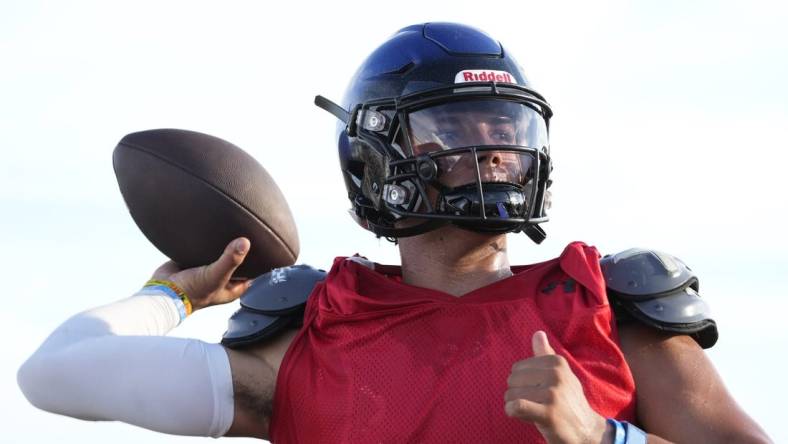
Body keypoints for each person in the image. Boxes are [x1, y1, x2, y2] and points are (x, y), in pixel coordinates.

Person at [18, 22, 770, 443]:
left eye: (504, 127)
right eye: (456, 128)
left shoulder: (608, 309)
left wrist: (606, 440)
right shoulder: (310, 337)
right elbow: (53, 374)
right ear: (376, 157)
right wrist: (175, 295)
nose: (493, 150)